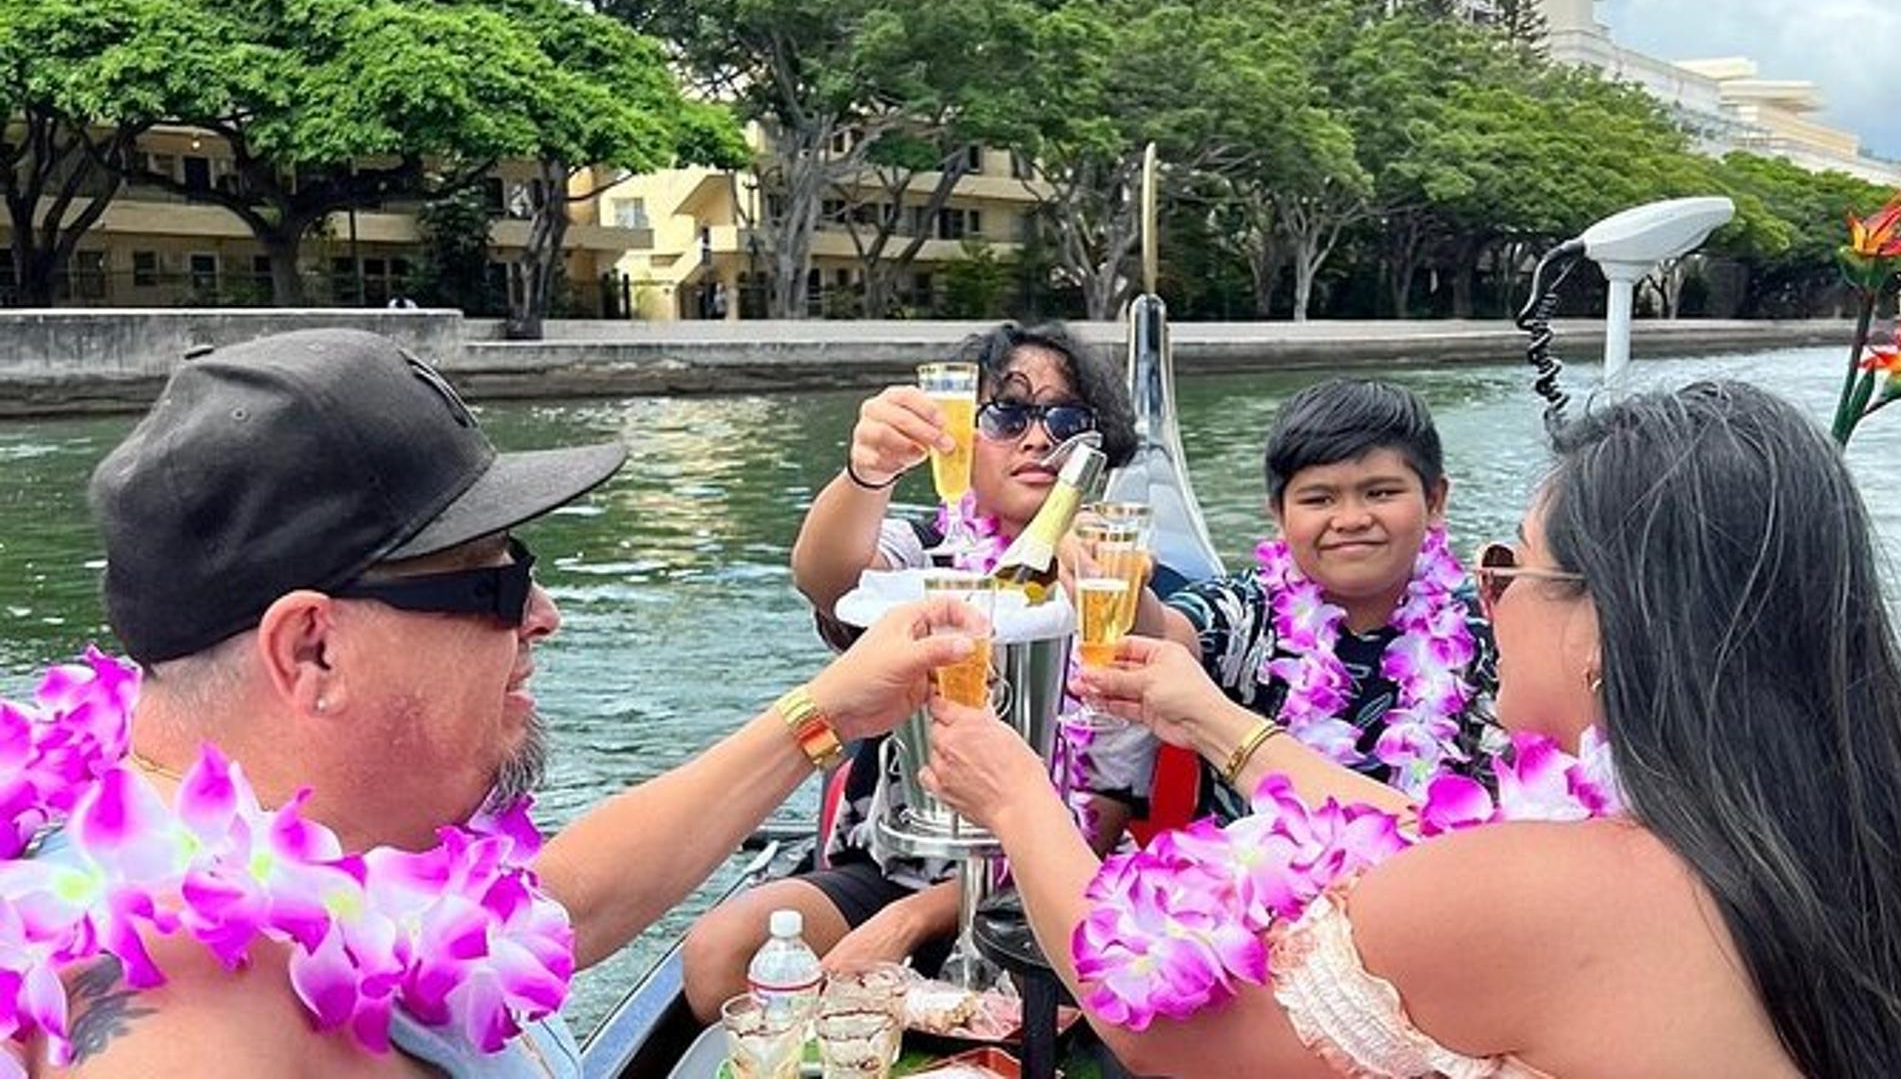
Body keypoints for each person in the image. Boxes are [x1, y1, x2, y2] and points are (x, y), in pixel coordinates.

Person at [922, 381, 1901, 1079]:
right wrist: (1213, 718)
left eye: (1514, 567)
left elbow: (1157, 1029)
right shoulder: (1826, 836)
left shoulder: (1551, 887)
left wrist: (1015, 795)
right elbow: (1424, 830)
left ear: (1606, 626)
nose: (1489, 598)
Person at [6, 329, 976, 1079]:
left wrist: (829, 711)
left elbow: (559, 906)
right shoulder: (193, 1036)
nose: (544, 614)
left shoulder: (268, 849)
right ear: (312, 649)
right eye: (495, 583)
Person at [682, 321, 1163, 1021]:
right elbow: (825, 577)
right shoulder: (926, 551)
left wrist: (915, 920)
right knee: (720, 955)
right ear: (961, 436)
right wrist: (868, 471)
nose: (1039, 439)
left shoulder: (1118, 582)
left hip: (1052, 883)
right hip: (895, 864)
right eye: (1007, 415)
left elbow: (1101, 816)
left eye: (1065, 419)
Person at [1134, 378, 1496, 820]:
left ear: (1435, 501)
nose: (1351, 519)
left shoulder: (1485, 628)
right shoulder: (1244, 613)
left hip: (1442, 859)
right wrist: (1120, 588)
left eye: (1380, 493)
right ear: (1278, 514)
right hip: (1252, 864)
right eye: (1319, 499)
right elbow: (1159, 634)